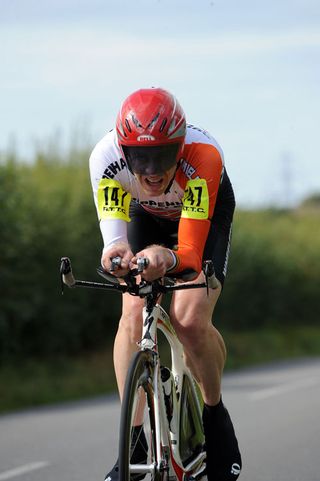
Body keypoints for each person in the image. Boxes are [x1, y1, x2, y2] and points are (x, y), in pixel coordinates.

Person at [89, 87, 242, 481]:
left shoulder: (203, 155)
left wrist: (167, 257)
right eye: (139, 159)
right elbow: (116, 240)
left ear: (179, 146)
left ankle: (215, 416)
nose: (152, 171)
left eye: (162, 157)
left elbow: (189, 253)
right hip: (146, 215)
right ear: (123, 151)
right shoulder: (104, 158)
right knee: (131, 313)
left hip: (202, 215)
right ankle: (134, 441)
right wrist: (116, 254)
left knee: (189, 319)